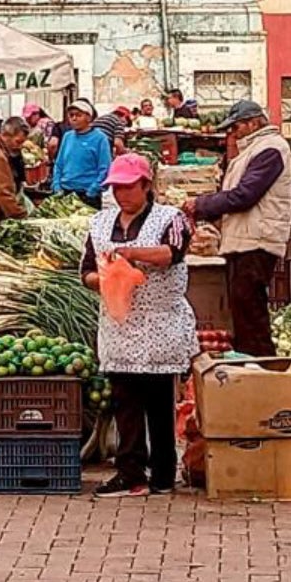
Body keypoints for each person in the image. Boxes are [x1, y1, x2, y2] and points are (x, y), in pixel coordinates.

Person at [81, 152, 194, 498]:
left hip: (160, 323)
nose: (121, 195)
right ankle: (130, 472)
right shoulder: (99, 223)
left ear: (147, 186)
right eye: (116, 188)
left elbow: (172, 252)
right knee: (125, 401)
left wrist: (131, 254)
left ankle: (162, 474)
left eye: (129, 187)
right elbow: (85, 270)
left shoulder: (170, 218)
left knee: (159, 401)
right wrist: (107, 279)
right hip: (119, 325)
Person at [183, 100, 291, 356]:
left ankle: (261, 367)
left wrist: (201, 204)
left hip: (257, 239)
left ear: (254, 122)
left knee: (250, 310)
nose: (233, 132)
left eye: (236, 126)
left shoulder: (271, 149)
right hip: (243, 238)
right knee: (243, 309)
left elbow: (244, 195)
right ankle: (248, 365)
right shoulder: (251, 150)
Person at [51, 99, 112, 207]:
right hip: (65, 192)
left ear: (88, 117)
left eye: (78, 115)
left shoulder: (100, 138)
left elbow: (105, 169)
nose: (74, 118)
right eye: (71, 115)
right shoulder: (67, 137)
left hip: (88, 195)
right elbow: (59, 164)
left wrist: (92, 191)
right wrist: (57, 185)